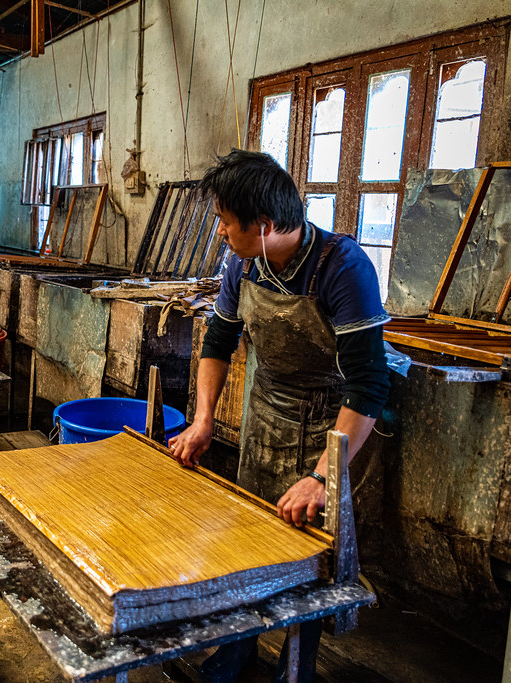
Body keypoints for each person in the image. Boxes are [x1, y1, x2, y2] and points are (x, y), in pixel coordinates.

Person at [168, 150, 391, 683]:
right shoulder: (243, 261)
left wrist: (322, 476)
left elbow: (369, 385)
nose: (220, 232)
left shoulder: (343, 266)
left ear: (265, 226)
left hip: (329, 428)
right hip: (266, 412)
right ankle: (239, 650)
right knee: (248, 539)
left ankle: (299, 664)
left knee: (306, 557)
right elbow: (219, 341)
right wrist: (203, 420)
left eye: (225, 222)